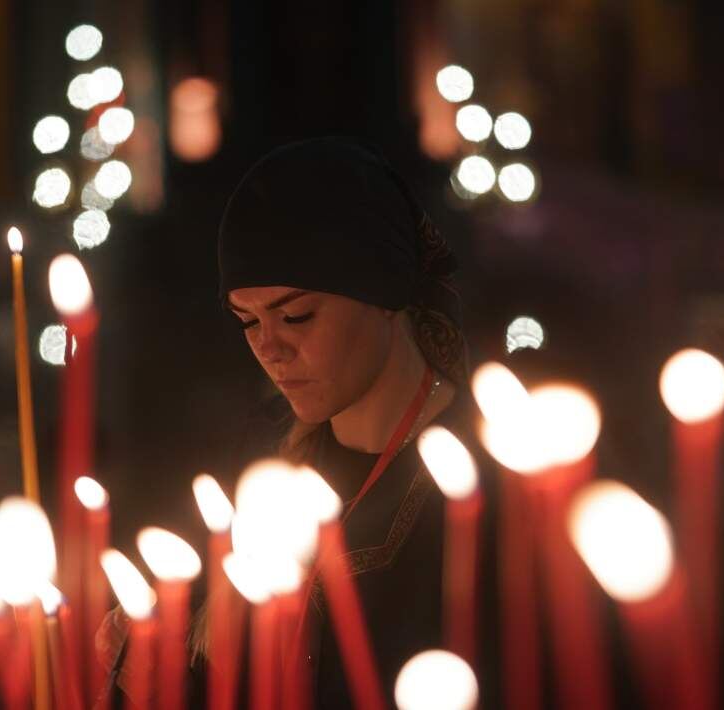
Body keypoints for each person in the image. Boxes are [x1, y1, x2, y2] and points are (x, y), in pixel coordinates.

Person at [99, 137, 496, 708]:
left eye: (296, 316)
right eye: (247, 321)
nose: (269, 348)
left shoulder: (479, 487)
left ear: (383, 290)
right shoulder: (257, 462)